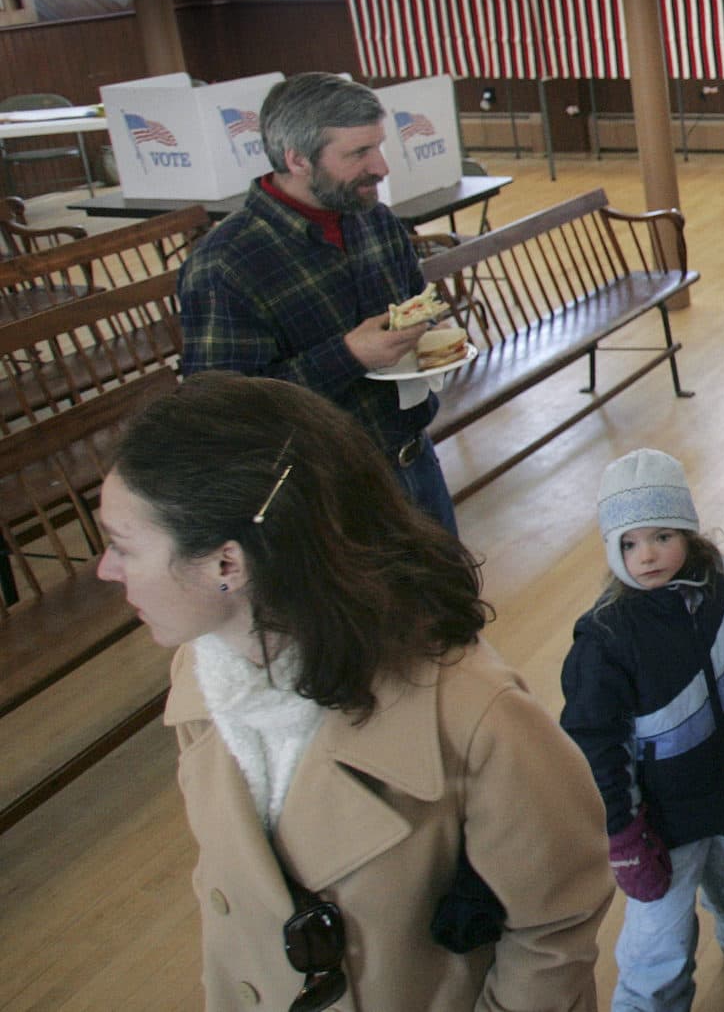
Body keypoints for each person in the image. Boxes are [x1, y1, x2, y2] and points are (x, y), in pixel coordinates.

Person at [95, 372, 611, 1011]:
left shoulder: (473, 716)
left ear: (228, 565)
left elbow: (555, 922)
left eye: (122, 547)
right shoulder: (203, 676)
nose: (105, 570)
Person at [561, 449, 724, 1012]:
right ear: (612, 549)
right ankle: (648, 1004)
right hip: (663, 823)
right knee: (660, 936)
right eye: (629, 543)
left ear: (688, 531)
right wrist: (624, 835)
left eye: (661, 536)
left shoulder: (722, 589)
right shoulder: (606, 640)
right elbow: (596, 749)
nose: (647, 555)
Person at [179, 71, 459, 534]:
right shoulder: (225, 265)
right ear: (297, 159)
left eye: (379, 146)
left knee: (451, 606)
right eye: (358, 153)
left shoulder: (375, 221)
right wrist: (348, 355)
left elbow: (413, 312)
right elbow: (222, 416)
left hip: (414, 458)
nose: (382, 167)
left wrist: (426, 338)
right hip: (326, 494)